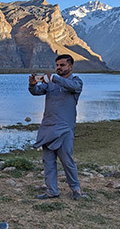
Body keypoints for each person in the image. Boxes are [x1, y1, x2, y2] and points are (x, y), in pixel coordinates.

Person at [28, 54, 87, 200]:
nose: (59, 68)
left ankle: (76, 189)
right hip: (48, 127)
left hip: (65, 129)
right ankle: (52, 191)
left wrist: (54, 78)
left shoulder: (76, 81)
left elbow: (73, 87)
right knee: (48, 161)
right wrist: (32, 84)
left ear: (70, 66)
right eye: (57, 65)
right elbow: (36, 92)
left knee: (67, 161)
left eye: (62, 65)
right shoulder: (50, 83)